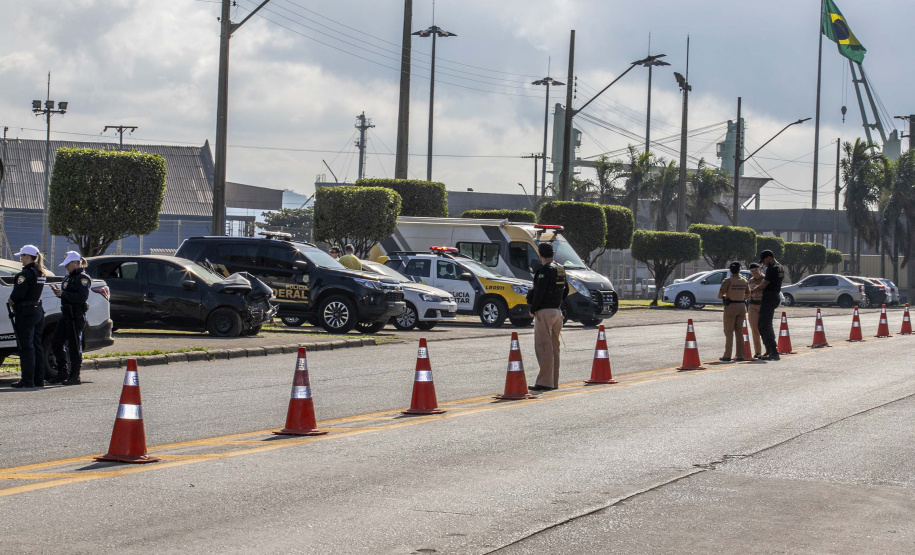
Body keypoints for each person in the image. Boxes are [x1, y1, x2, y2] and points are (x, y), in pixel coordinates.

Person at [526, 243, 569, 391]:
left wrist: (532, 309)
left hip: (544, 312)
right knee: (554, 348)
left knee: (544, 347)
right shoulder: (560, 269)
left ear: (540, 255)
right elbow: (566, 290)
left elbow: (539, 293)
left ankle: (544, 382)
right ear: (553, 253)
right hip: (557, 312)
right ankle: (553, 381)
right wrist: (557, 303)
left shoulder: (544, 270)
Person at [7, 245, 47, 388]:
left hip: (26, 313)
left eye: (22, 256)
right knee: (37, 345)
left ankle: (27, 379)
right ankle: (38, 379)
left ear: (28, 257)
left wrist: (11, 300)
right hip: (37, 311)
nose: (21, 259)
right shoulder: (40, 273)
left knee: (26, 347)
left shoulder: (25, 275)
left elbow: (18, 294)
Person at [49, 251, 91, 385]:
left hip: (76, 315)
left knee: (74, 345)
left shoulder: (83, 278)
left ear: (75, 263)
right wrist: (60, 294)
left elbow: (81, 297)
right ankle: (62, 372)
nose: (66, 267)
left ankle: (75, 375)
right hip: (66, 314)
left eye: (68, 264)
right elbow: (68, 293)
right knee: (56, 341)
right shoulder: (69, 277)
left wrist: (64, 295)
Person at [752, 249, 785, 361]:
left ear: (769, 258)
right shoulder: (780, 267)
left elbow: (765, 283)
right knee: (764, 324)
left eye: (764, 261)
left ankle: (773, 351)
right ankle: (770, 350)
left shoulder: (772, 269)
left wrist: (754, 289)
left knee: (764, 325)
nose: (764, 264)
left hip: (769, 297)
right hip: (774, 296)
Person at [717, 262, 750, 362]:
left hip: (731, 306)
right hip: (741, 306)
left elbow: (719, 295)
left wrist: (726, 297)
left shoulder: (728, 281)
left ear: (730, 270)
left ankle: (727, 355)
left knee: (729, 331)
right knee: (739, 331)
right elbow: (748, 295)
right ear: (739, 270)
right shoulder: (744, 281)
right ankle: (740, 355)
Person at [746, 262, 765, 358]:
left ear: (760, 268)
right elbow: (747, 294)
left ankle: (769, 349)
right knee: (754, 329)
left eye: (756, 270)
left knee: (765, 328)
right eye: (752, 271)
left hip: (763, 305)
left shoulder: (765, 279)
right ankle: (758, 352)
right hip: (753, 305)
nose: (754, 273)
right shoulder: (750, 281)